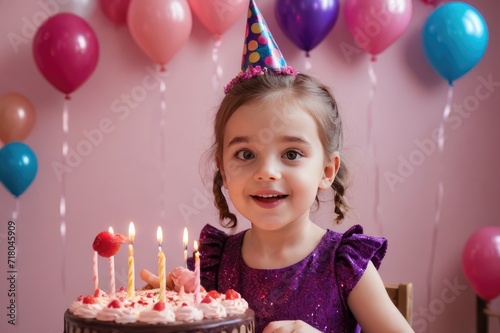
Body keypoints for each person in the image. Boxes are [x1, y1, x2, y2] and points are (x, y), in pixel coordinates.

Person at [142, 1, 415, 332]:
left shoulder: (343, 264)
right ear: (223, 170)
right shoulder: (211, 266)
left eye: (291, 154)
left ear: (327, 171)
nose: (266, 172)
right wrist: (169, 312)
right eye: (245, 155)